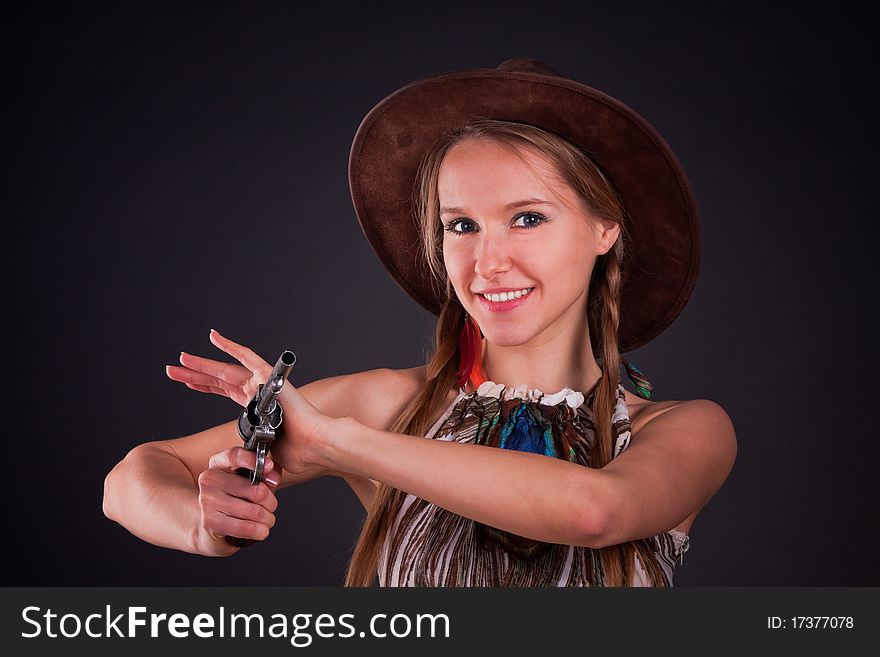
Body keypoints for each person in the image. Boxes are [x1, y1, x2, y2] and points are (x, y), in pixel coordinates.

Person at [103, 58, 736, 587]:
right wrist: (206, 525)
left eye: (527, 218)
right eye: (462, 225)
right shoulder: (387, 404)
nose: (488, 262)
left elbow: (596, 510)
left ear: (605, 229)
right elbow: (133, 476)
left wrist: (338, 443)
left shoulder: (684, 430)